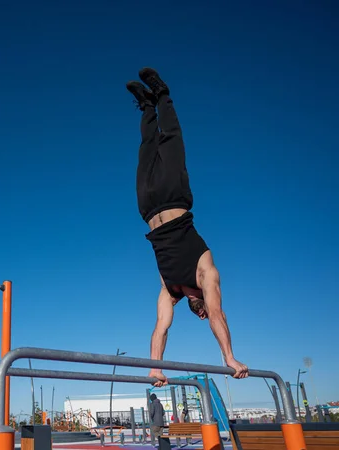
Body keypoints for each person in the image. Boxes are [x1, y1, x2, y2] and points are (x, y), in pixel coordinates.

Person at [126, 68, 249, 387]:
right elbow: (219, 316)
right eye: (204, 312)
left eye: (200, 314)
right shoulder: (207, 276)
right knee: (171, 142)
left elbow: (161, 327)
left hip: (147, 207)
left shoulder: (170, 291)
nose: (203, 314)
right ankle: (163, 94)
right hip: (173, 196)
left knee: (146, 150)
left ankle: (146, 106)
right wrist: (229, 358)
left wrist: (155, 367)